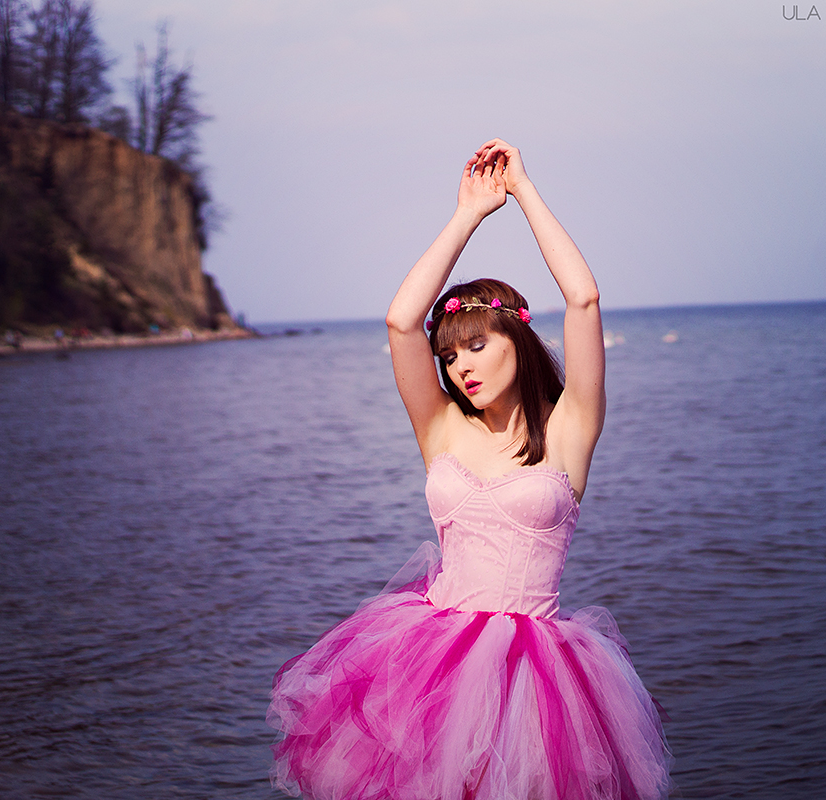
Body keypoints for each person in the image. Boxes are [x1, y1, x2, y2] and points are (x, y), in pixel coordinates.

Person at [268, 140, 671, 800]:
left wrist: (524, 191)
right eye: (451, 357)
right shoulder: (442, 427)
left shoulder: (569, 428)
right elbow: (401, 322)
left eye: (477, 346)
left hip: (538, 684)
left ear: (518, 339)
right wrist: (468, 215)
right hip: (430, 668)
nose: (462, 368)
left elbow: (584, 300)